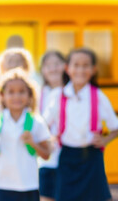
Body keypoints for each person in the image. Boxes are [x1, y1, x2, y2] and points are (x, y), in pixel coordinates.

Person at [43, 48, 118, 201]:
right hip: (66, 156)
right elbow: (43, 123)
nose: (80, 70)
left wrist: (104, 140)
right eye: (76, 65)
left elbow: (115, 127)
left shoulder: (98, 96)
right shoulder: (58, 95)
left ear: (93, 70)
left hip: (92, 156)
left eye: (86, 65)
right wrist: (50, 138)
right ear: (67, 68)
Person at [0, 68, 51, 201]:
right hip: (2, 184)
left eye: (22, 92)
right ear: (2, 96)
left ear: (29, 96)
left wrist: (32, 143)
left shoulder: (36, 122)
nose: (16, 96)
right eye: (11, 92)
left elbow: (46, 154)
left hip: (29, 185)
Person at [38, 51, 68, 201]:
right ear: (42, 70)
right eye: (48, 65)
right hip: (46, 159)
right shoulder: (38, 93)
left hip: (68, 157)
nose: (53, 69)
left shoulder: (71, 91)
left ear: (65, 66)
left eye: (57, 64)